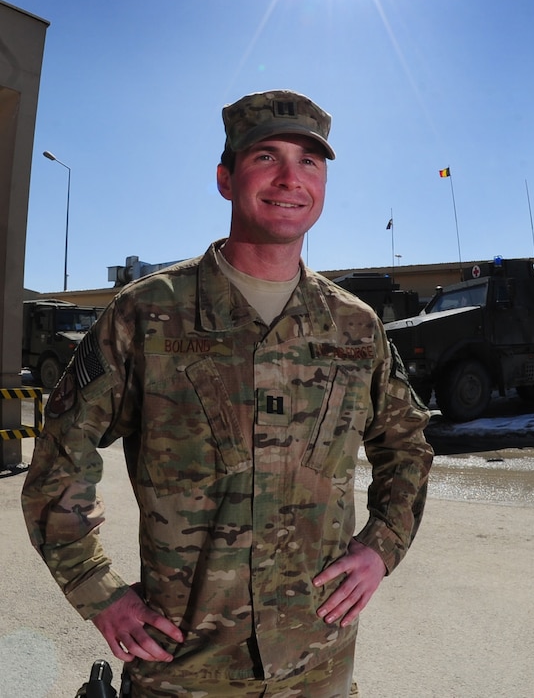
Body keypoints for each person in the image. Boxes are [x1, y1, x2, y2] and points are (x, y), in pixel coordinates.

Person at [22, 89, 433, 698]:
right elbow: (60, 458)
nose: (291, 178)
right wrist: (98, 590)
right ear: (225, 178)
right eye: (267, 157)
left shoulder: (354, 327)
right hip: (186, 670)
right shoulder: (147, 315)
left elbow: (407, 443)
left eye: (310, 162)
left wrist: (382, 546)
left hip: (317, 662)